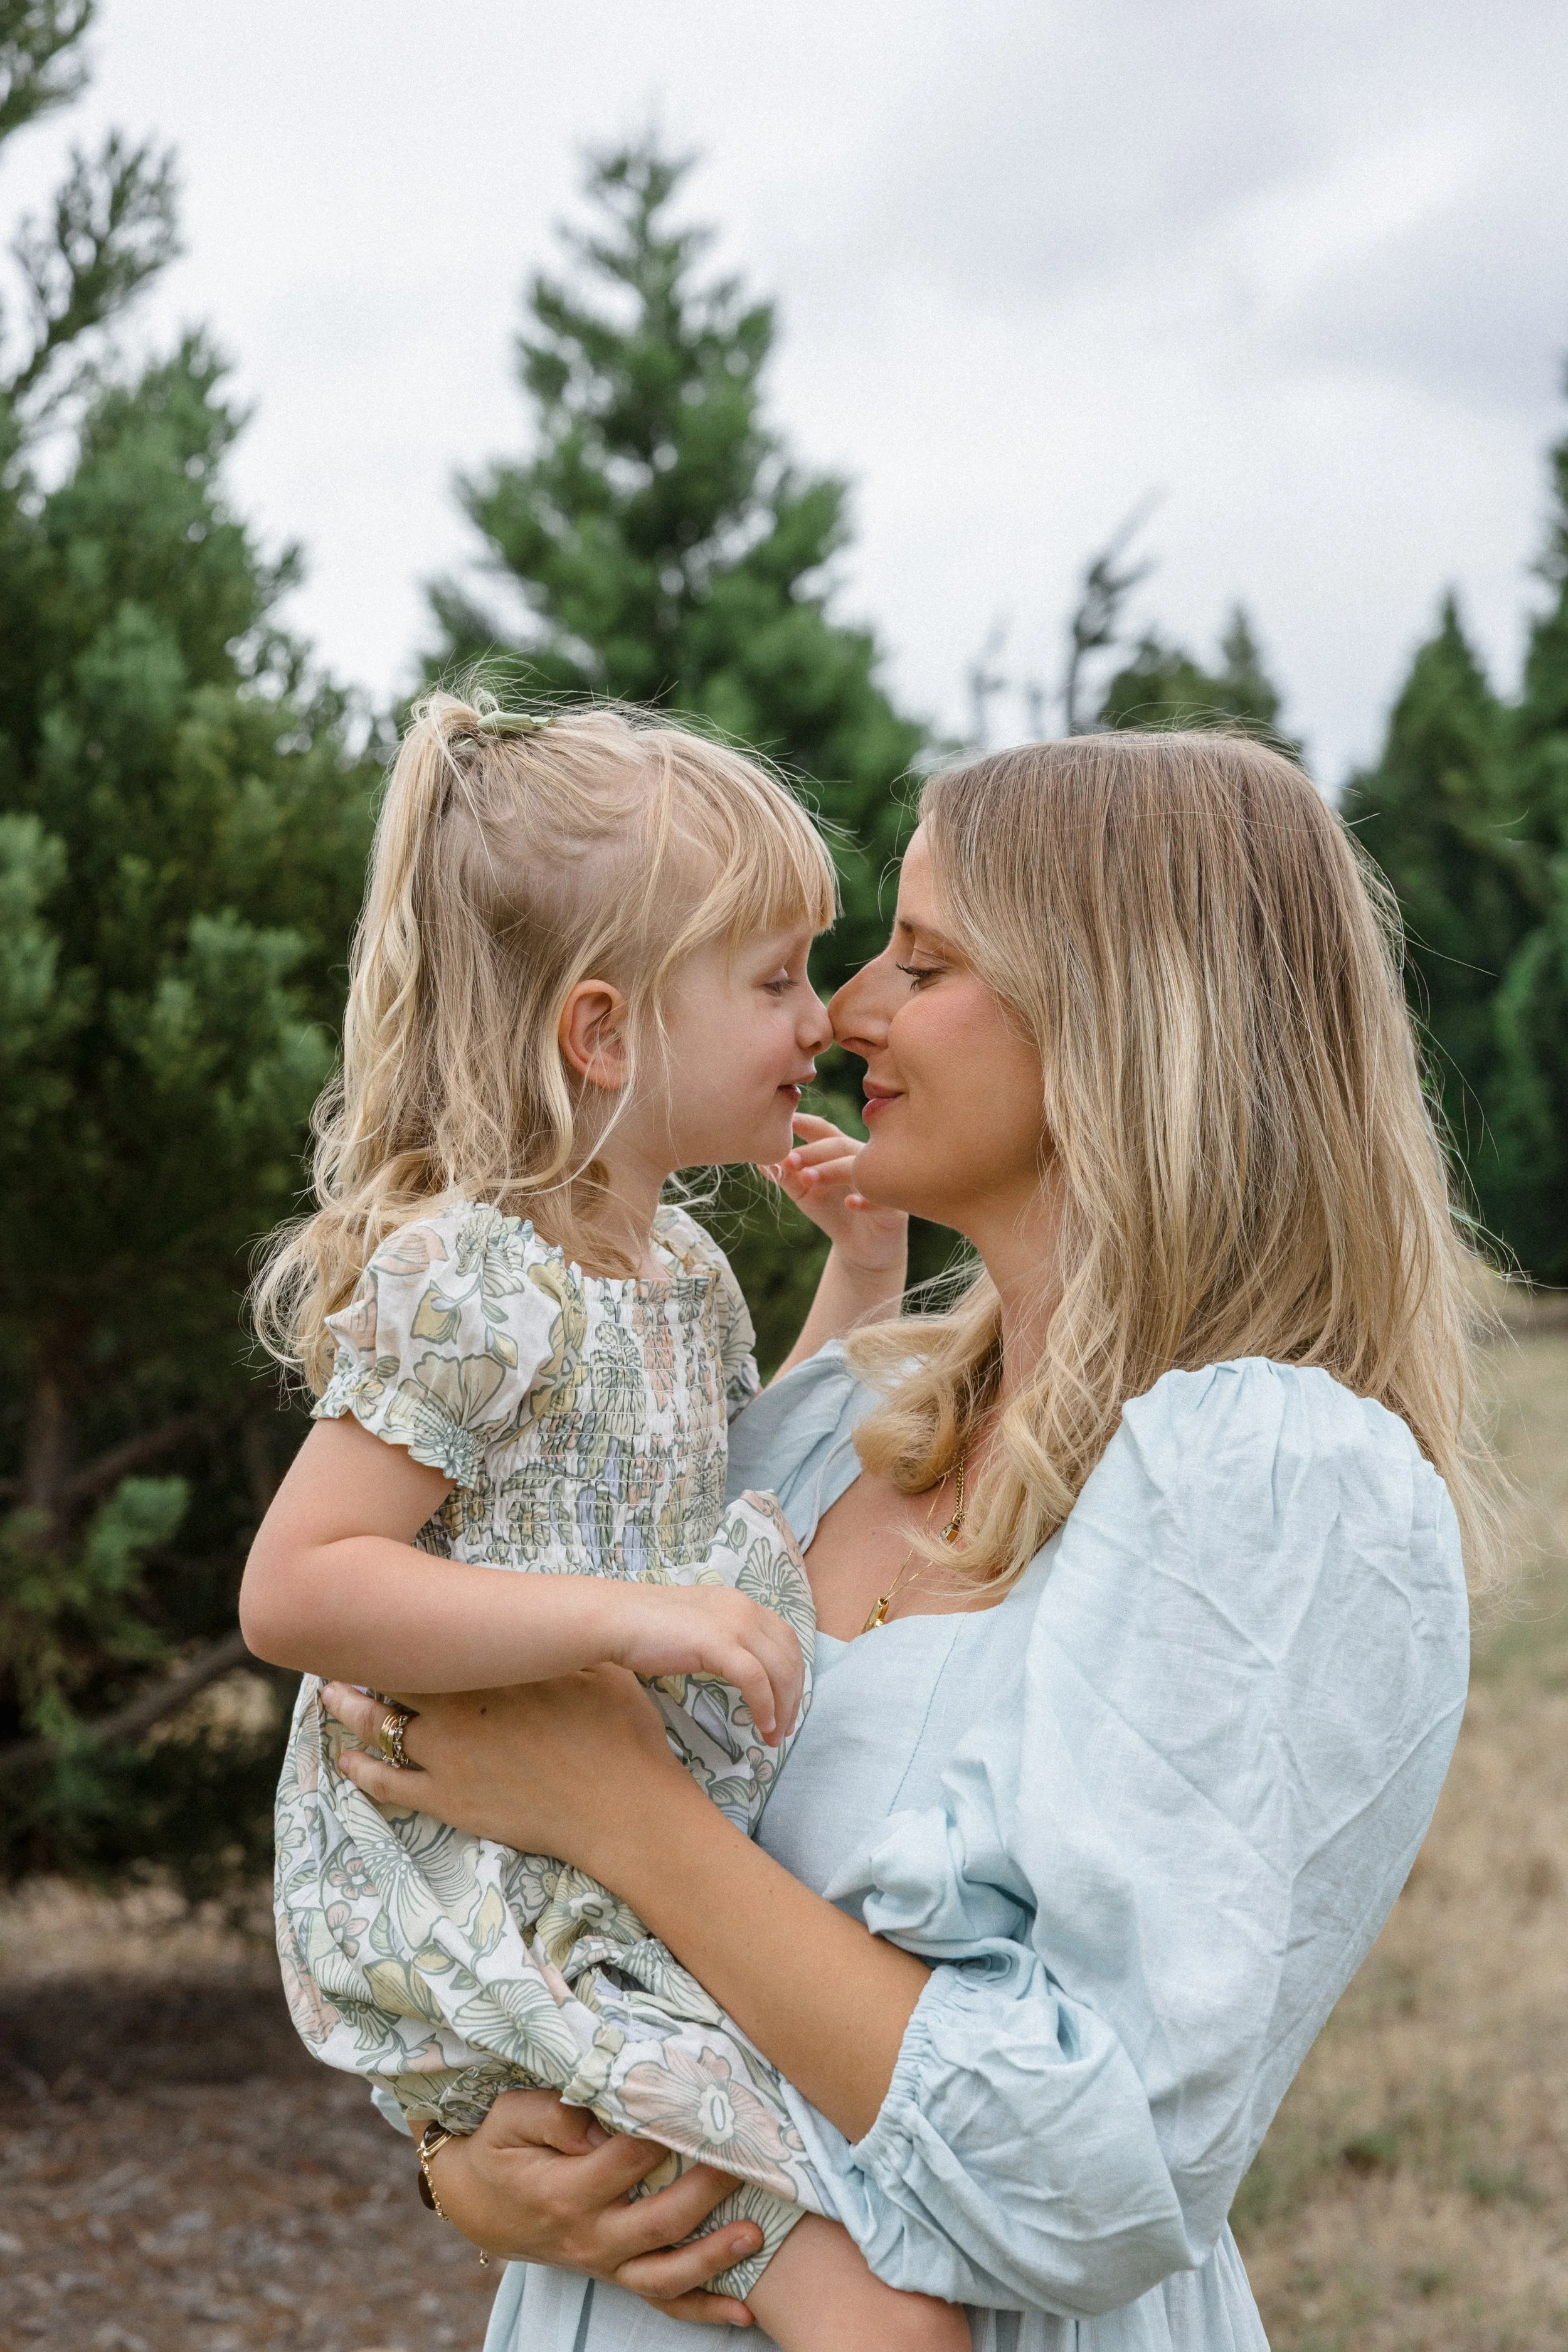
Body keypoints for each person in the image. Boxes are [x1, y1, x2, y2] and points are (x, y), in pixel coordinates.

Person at [324, 730, 1482, 2351]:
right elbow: (472, 1820)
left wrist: (635, 1819)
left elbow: (1097, 2171)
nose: (844, 1012)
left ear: (1119, 1018)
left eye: (920, 961)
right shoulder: (818, 1433)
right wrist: (469, 2165)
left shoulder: (1277, 1481)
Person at [241, 692, 967, 2351]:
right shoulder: (468, 1272)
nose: (823, 1015)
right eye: (774, 976)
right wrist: (618, 1621)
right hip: (493, 1888)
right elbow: (298, 1586)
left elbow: (729, 1492)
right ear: (600, 1032)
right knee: (887, 2322)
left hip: (608, 1851)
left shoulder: (682, 1268)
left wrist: (862, 1269)